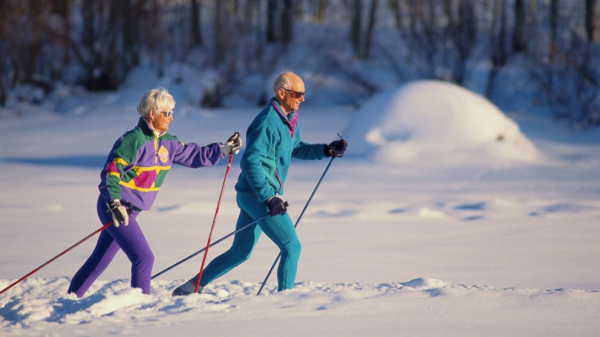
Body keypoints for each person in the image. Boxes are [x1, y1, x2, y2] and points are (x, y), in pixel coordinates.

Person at [172, 71, 347, 296]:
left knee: (240, 252)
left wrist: (326, 150)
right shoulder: (267, 122)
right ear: (281, 93)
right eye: (298, 94)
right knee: (292, 247)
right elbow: (250, 161)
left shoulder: (289, 118)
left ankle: (189, 288)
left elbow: (296, 147)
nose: (302, 99)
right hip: (258, 195)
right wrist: (269, 197)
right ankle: (286, 303)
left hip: (252, 194)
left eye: (304, 94)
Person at [67, 87, 242, 297]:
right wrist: (114, 204)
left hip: (131, 210)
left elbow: (195, 155)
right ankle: (140, 305)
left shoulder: (169, 142)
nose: (171, 118)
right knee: (144, 258)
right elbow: (111, 172)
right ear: (152, 113)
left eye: (172, 113)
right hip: (114, 206)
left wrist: (223, 149)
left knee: (100, 260)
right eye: (167, 113)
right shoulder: (134, 140)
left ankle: (70, 298)